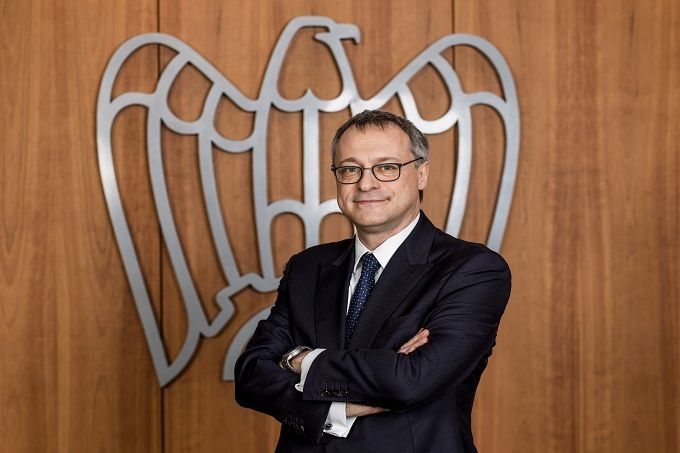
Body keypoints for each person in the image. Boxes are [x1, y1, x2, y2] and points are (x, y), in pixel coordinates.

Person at [235, 110, 511, 452]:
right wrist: (336, 409)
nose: (366, 184)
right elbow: (250, 376)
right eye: (350, 169)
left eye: (387, 167)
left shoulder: (473, 270)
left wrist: (299, 360)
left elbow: (410, 381)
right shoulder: (307, 267)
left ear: (421, 173)